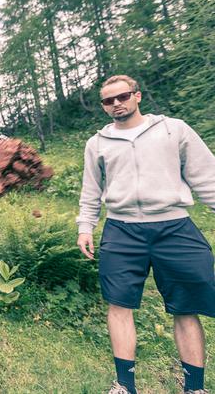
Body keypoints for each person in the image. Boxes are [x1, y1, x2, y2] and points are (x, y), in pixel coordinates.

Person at [76, 74, 215, 394]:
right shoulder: (97, 143)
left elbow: (206, 175)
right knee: (118, 305)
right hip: (122, 230)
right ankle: (124, 385)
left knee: (186, 306)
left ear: (137, 96)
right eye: (108, 101)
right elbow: (91, 190)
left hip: (174, 226)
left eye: (122, 96)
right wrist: (86, 226)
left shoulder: (172, 129)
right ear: (103, 106)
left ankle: (194, 387)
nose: (116, 104)